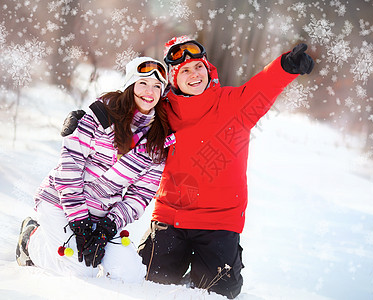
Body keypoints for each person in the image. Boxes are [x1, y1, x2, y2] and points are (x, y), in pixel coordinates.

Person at [137, 36, 314, 298]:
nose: (194, 74)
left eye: (198, 66)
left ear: (208, 69)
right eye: (184, 70)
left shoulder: (234, 104)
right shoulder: (162, 110)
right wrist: (89, 118)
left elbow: (262, 87)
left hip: (219, 221)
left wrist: (286, 65)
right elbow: (127, 111)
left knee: (218, 292)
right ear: (174, 79)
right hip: (170, 217)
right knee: (148, 284)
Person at [16, 57, 175, 283]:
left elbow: (140, 196)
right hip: (61, 202)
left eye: (157, 86)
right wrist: (79, 223)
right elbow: (69, 168)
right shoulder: (101, 115)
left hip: (102, 214)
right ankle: (31, 241)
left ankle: (82, 245)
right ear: (130, 84)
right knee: (82, 271)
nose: (150, 92)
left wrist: (108, 227)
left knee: (130, 275)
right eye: (143, 83)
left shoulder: (157, 141)